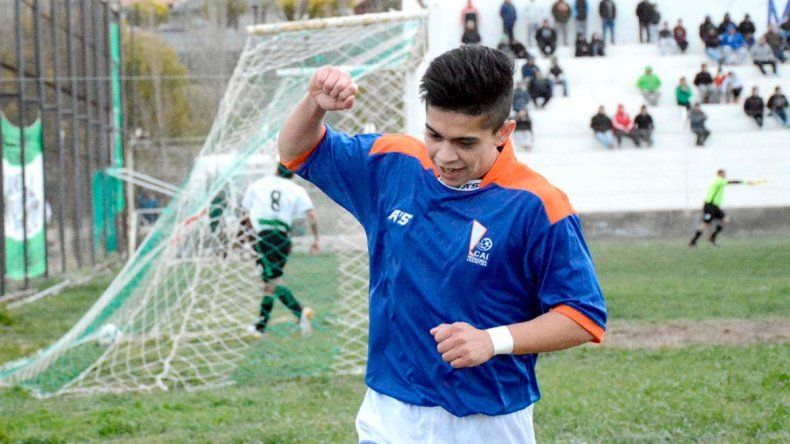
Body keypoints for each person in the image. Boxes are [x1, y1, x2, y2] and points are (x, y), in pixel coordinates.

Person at [278, 45, 606, 442]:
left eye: (465, 143)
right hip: (390, 414)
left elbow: (583, 316)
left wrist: (493, 340)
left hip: (488, 423)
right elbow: (297, 151)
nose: (445, 155)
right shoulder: (394, 163)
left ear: (504, 132)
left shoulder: (539, 205)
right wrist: (314, 105)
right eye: (435, 134)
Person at [243, 164, 319, 338]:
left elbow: (246, 215)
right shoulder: (297, 189)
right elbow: (312, 215)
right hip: (283, 239)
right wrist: (316, 239)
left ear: (275, 168)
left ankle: (295, 315)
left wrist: (250, 238)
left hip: (264, 238)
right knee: (271, 283)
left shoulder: (259, 184)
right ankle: (292, 317)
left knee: (271, 282)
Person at [689, 169, 757, 247]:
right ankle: (693, 241)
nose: (725, 176)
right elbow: (732, 182)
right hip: (710, 206)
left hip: (715, 207)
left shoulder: (720, 182)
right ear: (719, 174)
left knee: (726, 220)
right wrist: (746, 182)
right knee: (705, 224)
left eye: (725, 174)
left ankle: (712, 237)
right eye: (723, 174)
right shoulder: (719, 181)